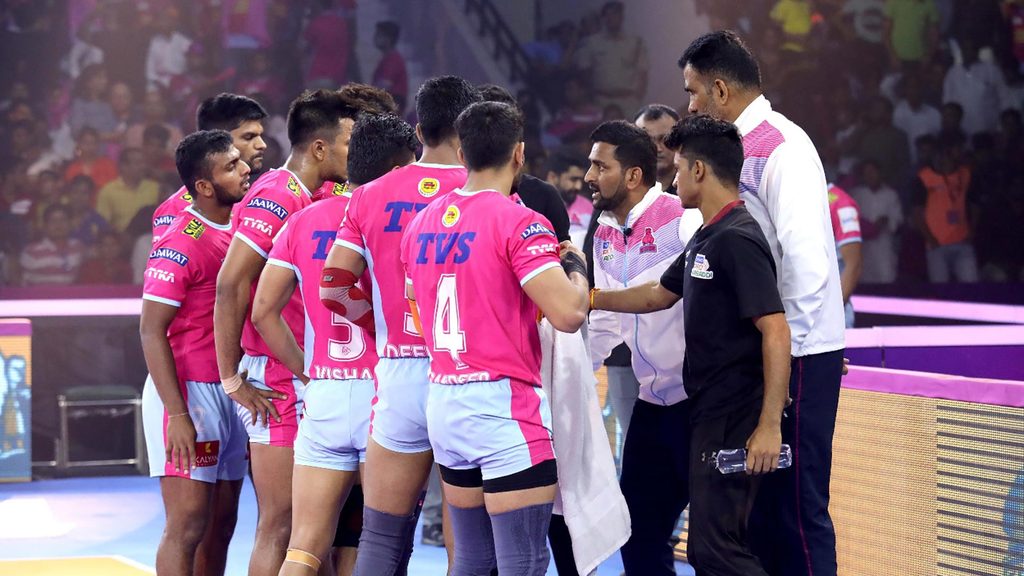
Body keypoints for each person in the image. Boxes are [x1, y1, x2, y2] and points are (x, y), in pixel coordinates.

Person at [591, 113, 791, 576]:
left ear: (699, 170)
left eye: (678, 168)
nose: (673, 177)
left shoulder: (735, 237)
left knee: (719, 549)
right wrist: (589, 298)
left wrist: (768, 425)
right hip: (686, 410)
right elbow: (657, 294)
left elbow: (775, 328)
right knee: (682, 542)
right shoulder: (707, 233)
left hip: (727, 414)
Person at [679, 31, 846, 576]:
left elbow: (808, 270)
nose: (690, 106)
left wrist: (785, 361)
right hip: (759, 360)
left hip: (792, 356)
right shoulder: (734, 150)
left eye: (693, 92)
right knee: (761, 513)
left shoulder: (783, 147)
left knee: (796, 509)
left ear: (720, 90)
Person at [400, 100, 590, 575]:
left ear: (461, 153)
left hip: (445, 402)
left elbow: (417, 316)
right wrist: (576, 268)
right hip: (503, 407)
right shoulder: (519, 221)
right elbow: (569, 313)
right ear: (519, 154)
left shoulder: (420, 224)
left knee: (471, 560)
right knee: (521, 562)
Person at [319, 75, 480, 575]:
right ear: (466, 128)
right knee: (469, 542)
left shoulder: (367, 194)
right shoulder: (481, 191)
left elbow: (333, 285)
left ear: (419, 127)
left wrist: (381, 327)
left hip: (398, 373)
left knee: (383, 535)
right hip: (463, 374)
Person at [251, 113, 418, 576]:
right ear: (402, 166)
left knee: (303, 547)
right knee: (382, 546)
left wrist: (306, 370)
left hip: (323, 393)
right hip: (383, 393)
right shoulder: (401, 219)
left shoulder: (302, 221)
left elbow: (263, 310)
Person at [214, 89, 360, 576]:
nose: (352, 155)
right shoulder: (278, 196)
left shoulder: (314, 195)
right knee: (281, 523)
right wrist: (231, 378)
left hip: (300, 370)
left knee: (309, 528)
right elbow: (231, 283)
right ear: (319, 148)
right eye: (347, 145)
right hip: (277, 376)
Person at [585, 120, 702, 576]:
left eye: (600, 166)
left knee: (715, 544)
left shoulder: (684, 220)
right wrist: (561, 382)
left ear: (633, 175)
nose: (589, 176)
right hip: (652, 404)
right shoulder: (603, 234)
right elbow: (605, 325)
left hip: (703, 407)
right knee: (636, 535)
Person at [139, 129, 252, 576]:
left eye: (240, 160)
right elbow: (150, 331)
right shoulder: (181, 241)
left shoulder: (243, 226)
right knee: (187, 525)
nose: (245, 169)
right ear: (203, 186)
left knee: (222, 524)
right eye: (231, 165)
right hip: (190, 395)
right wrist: (179, 415)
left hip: (233, 390)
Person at [152, 93, 268, 242]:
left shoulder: (260, 196)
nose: (262, 145)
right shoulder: (176, 208)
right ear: (217, 140)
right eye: (248, 137)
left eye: (260, 135)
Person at [912, 133, 978, 283]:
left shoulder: (966, 174)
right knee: (941, 291)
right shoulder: (924, 177)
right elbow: (917, 212)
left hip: (963, 241)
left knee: (972, 287)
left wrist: (971, 232)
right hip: (937, 244)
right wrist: (930, 238)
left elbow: (974, 206)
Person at [573, 1, 649, 120]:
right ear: (604, 18)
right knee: (602, 135)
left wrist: (638, 97)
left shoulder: (635, 42)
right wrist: (591, 96)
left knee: (630, 135)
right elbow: (584, 73)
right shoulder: (592, 43)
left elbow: (643, 73)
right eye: (608, 15)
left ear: (621, 17)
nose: (612, 18)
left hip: (628, 101)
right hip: (601, 100)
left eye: (615, 14)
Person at [851, 160, 903, 283]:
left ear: (880, 173)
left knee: (887, 279)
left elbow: (898, 219)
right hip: (863, 247)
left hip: (884, 245)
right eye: (866, 173)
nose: (870, 175)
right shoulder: (856, 194)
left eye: (872, 172)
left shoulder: (890, 194)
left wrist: (886, 221)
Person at [96, 148, 160, 233]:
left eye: (143, 163)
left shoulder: (155, 188)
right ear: (124, 166)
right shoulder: (108, 191)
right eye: (138, 163)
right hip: (121, 241)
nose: (143, 167)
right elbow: (102, 224)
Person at [19, 204, 86, 286]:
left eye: (63, 220)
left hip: (69, 297)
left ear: (70, 223)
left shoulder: (78, 247)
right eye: (53, 221)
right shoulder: (31, 252)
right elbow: (21, 284)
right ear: (45, 226)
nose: (58, 225)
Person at [827, 184, 863, 327]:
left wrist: (833, 312)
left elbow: (854, 265)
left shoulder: (841, 203)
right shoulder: (796, 199)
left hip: (832, 318)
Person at [635, 104, 682, 193]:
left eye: (664, 139)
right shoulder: (623, 191)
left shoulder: (696, 190)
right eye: (648, 140)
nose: (657, 148)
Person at [545, 153, 590, 246]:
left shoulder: (588, 207)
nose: (578, 186)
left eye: (580, 180)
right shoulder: (535, 205)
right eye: (573, 179)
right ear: (553, 177)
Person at [371, 21, 409, 114]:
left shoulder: (394, 60)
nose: (375, 37)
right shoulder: (386, 59)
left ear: (388, 39)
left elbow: (384, 85)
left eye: (379, 35)